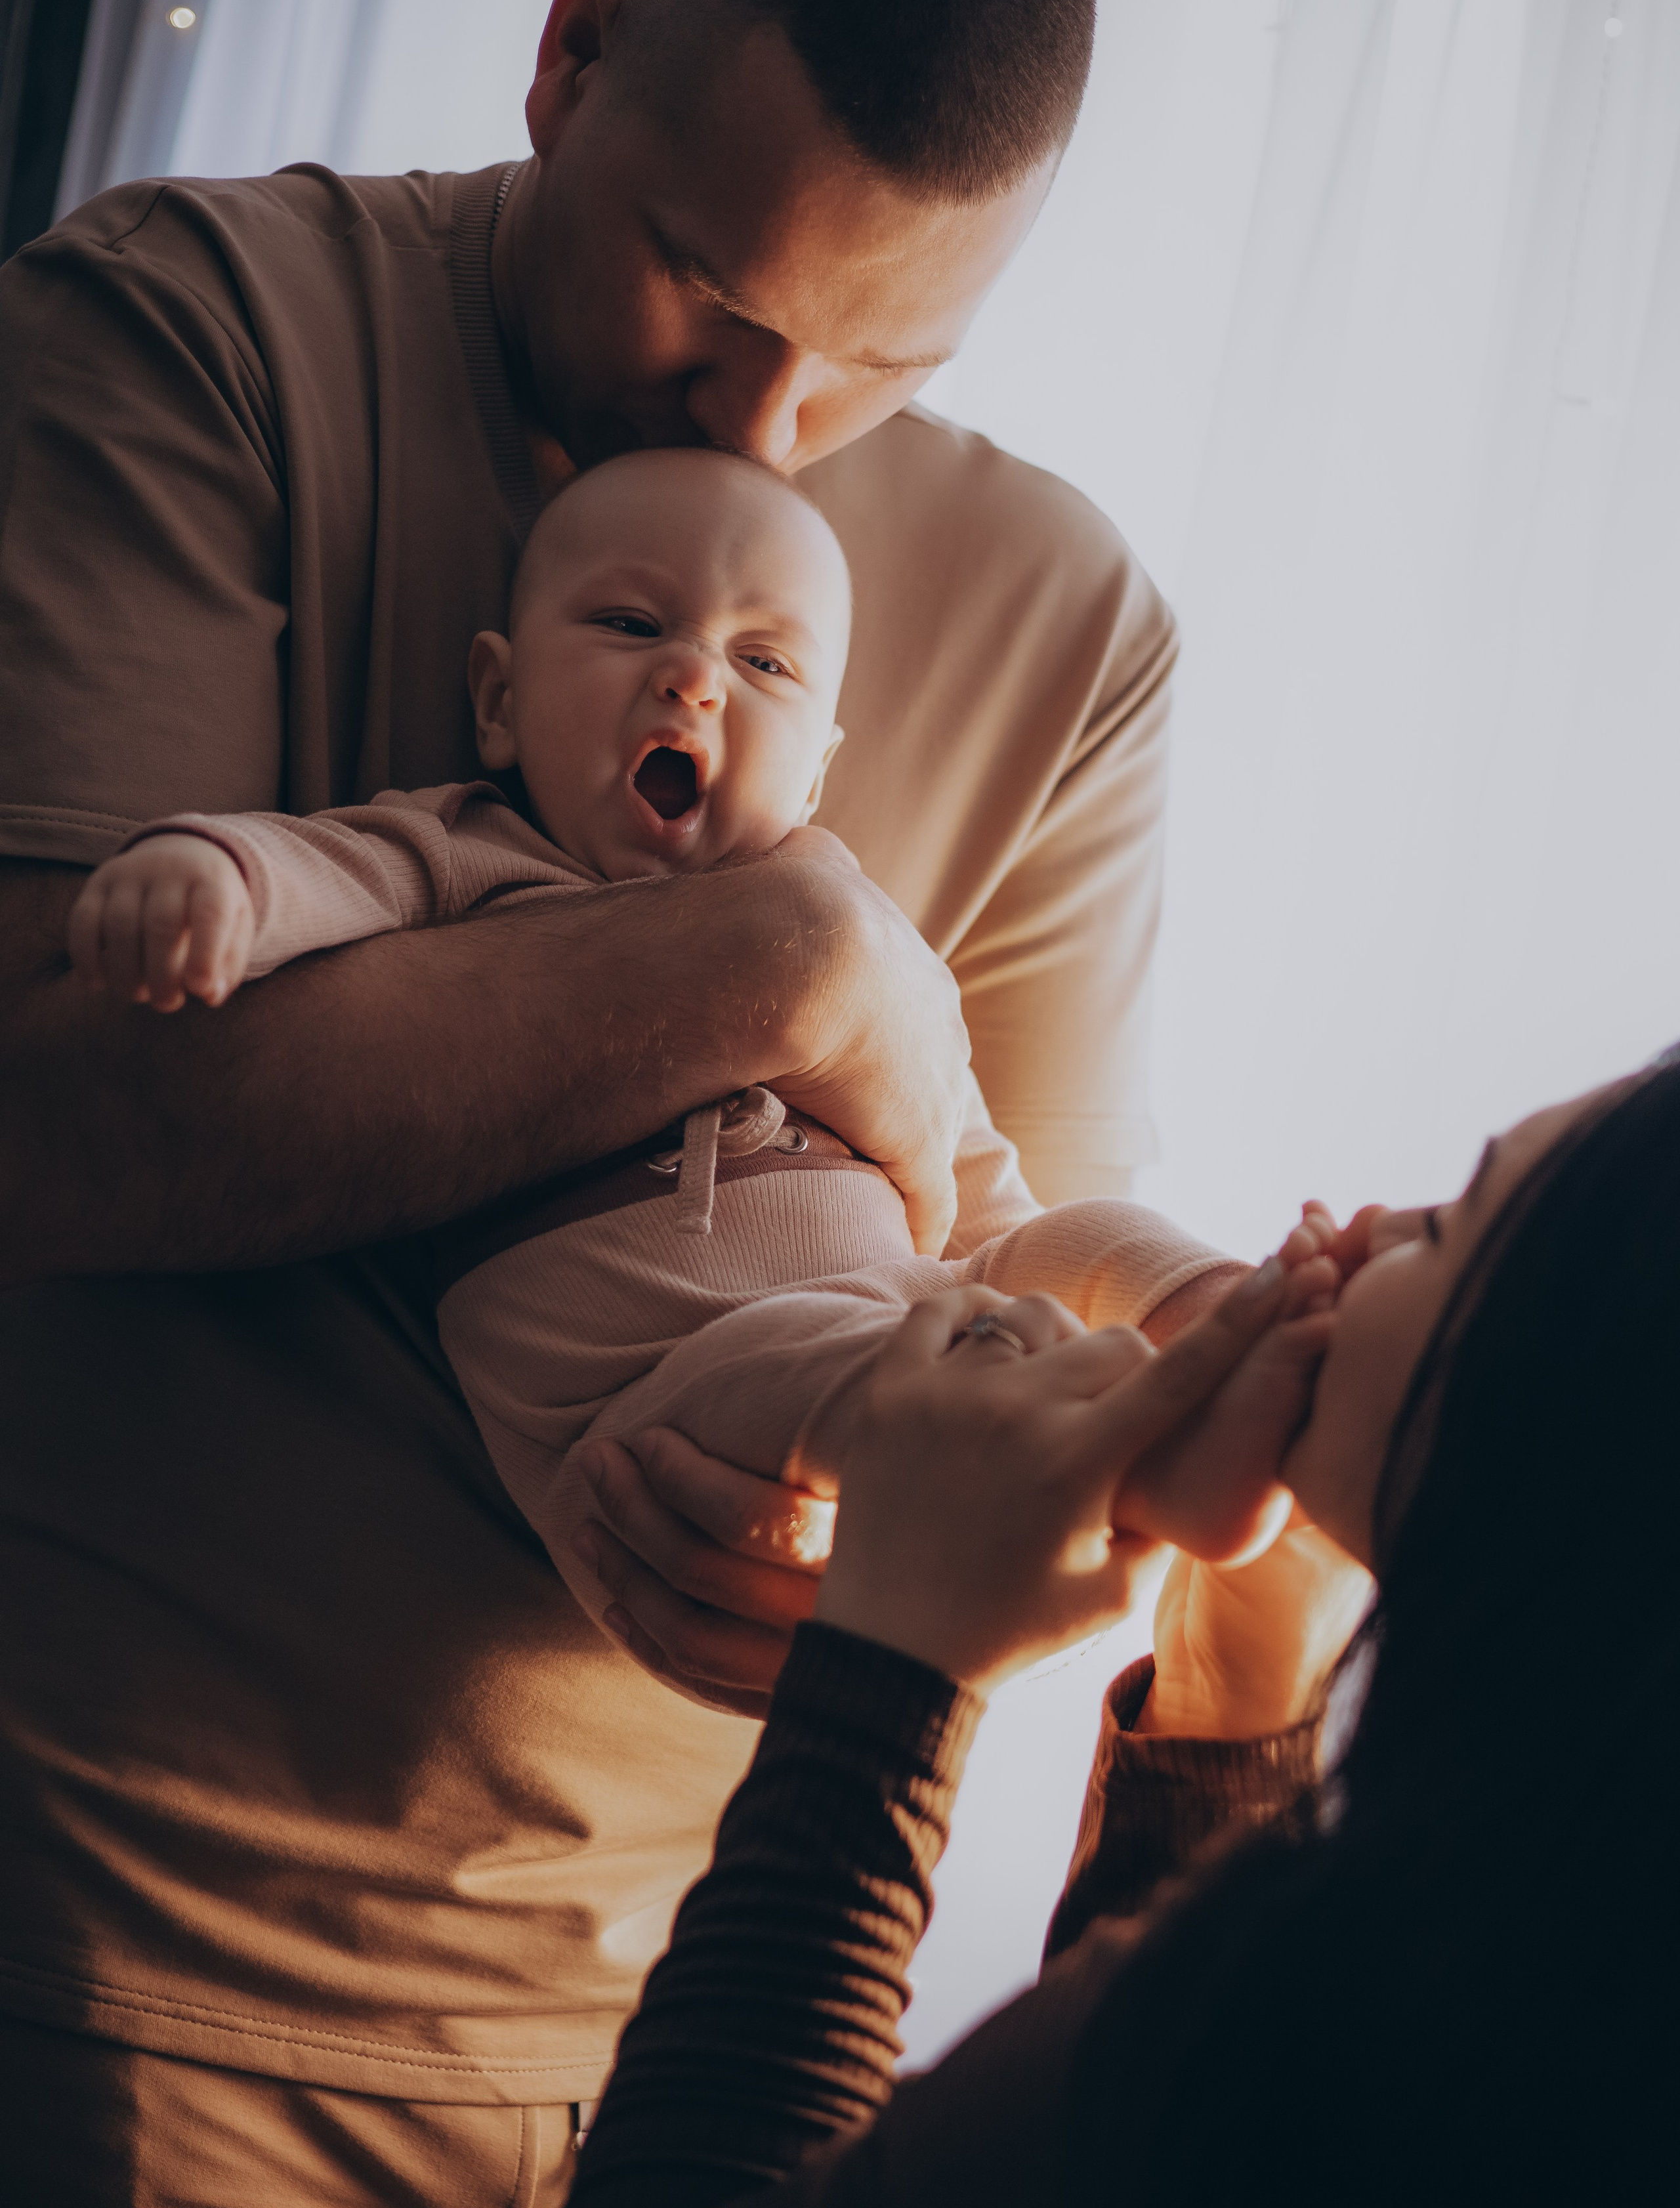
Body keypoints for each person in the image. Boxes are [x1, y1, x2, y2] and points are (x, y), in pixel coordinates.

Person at [0, 0, 1270, 2208]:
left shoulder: (1078, 626)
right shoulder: (187, 331)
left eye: (878, 365)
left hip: (684, 2073)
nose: (774, 427)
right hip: (130, 2002)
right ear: (570, 50)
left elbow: (1008, 1284)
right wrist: (788, 959)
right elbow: (55, 1120)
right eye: (714, 294)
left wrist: (892, 1569)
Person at [541, 1057, 1680, 2208]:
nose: (1356, 1227)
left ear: (1568, 1408)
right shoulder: (1565, 1988)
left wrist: (890, 1675)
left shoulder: (1396, 2026)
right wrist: (1231, 1709)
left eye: (1448, 1225)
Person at [66, 446, 1250, 1657]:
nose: (693, 678)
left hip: (913, 1303)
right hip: (663, 1388)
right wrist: (210, 878)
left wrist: (1024, 1254)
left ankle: (1222, 1332)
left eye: (764, 662)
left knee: (1064, 1242)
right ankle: (1123, 1450)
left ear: (820, 768)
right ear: (501, 700)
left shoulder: (841, 912)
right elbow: (326, 874)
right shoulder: (473, 856)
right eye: (633, 625)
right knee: (841, 1379)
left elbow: (965, 1150)